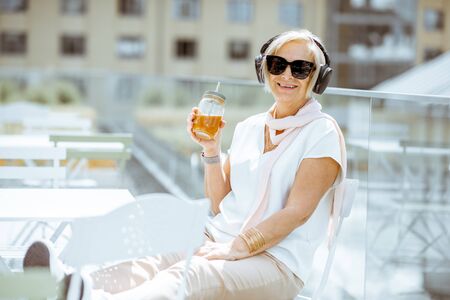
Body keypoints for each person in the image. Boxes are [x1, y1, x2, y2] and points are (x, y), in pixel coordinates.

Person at [23, 29, 346, 300]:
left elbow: (297, 212)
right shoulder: (249, 127)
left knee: (191, 274)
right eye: (278, 64)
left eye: (300, 68)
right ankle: (77, 285)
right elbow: (220, 205)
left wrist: (239, 246)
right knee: (151, 260)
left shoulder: (322, 133)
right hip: (217, 238)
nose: (287, 74)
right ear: (265, 70)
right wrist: (211, 148)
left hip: (277, 263)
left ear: (317, 78)